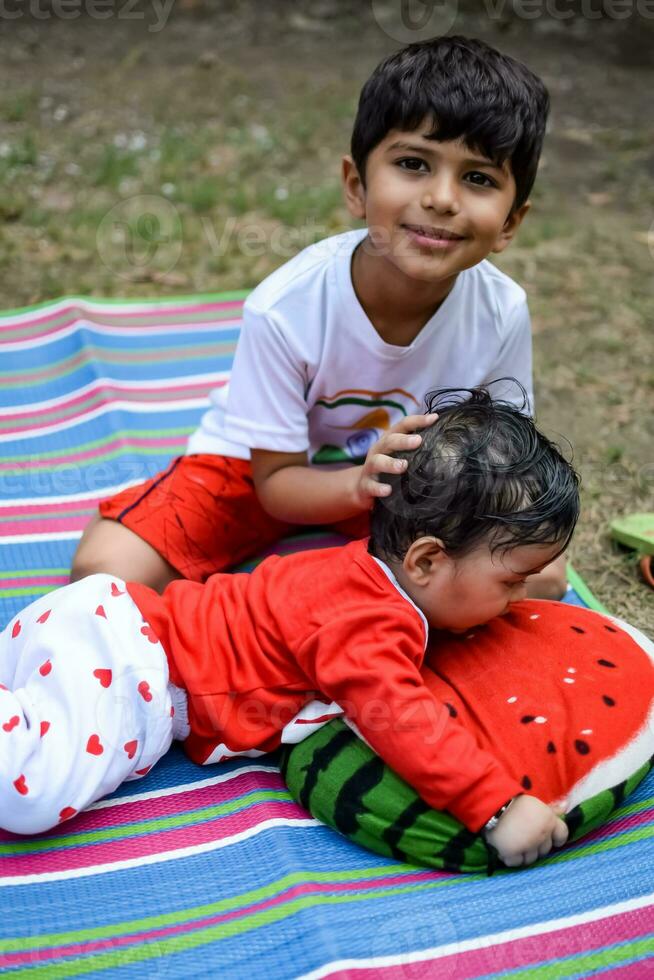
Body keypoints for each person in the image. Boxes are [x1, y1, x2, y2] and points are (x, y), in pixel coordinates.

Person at [70, 35, 567, 600]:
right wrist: (357, 484)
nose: (442, 198)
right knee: (104, 571)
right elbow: (277, 483)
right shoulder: (285, 307)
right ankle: (265, 621)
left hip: (407, 485)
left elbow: (496, 453)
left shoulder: (501, 310)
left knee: (540, 576)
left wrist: (460, 503)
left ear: (510, 223)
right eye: (412, 164)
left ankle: (362, 611)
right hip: (255, 472)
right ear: (356, 186)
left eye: (478, 178)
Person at [2, 387, 577, 866]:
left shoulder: (360, 566)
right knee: (31, 796)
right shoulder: (369, 624)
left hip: (94, 616)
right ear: (425, 561)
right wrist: (497, 806)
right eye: (511, 582)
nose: (520, 597)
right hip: (129, 673)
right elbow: (403, 720)